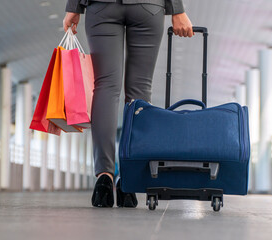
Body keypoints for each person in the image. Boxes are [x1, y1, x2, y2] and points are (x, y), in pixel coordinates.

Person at [63, 0, 194, 208]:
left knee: (105, 87)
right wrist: (177, 10)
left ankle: (104, 179)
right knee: (140, 91)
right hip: (148, 6)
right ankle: (129, 180)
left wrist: (73, 7)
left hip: (101, 6)